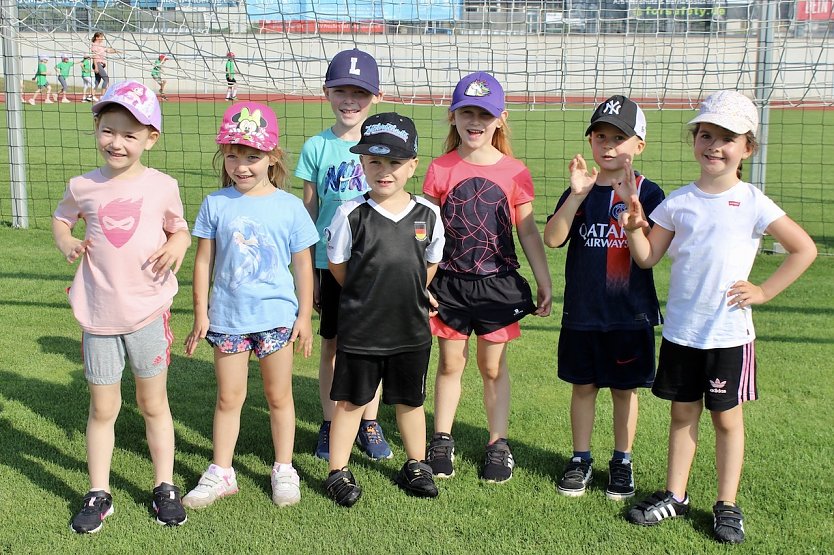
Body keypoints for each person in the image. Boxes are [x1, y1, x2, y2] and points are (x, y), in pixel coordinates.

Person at [620, 90, 817, 544]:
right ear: (694, 140)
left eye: (727, 138)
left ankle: (727, 505)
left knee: (726, 419)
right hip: (682, 333)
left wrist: (764, 290)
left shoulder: (753, 201)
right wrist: (634, 228)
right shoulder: (678, 203)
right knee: (682, 414)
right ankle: (675, 494)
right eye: (705, 134)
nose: (714, 145)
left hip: (728, 335)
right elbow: (648, 258)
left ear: (747, 147)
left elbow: (803, 248)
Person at [52, 80, 191, 533]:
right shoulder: (83, 185)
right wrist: (66, 239)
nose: (117, 142)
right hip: (98, 314)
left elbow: (180, 229)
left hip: (148, 311)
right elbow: (60, 218)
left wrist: (178, 246)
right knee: (103, 409)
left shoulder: (163, 186)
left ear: (151, 138)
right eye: (109, 131)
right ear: (97, 128)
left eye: (130, 135)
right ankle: (98, 491)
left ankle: (164, 485)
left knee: (153, 404)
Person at [183, 102, 319, 509]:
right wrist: (202, 312)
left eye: (252, 156)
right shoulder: (215, 203)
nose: (241, 166)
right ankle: (222, 471)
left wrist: (304, 316)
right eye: (233, 155)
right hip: (227, 320)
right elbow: (204, 260)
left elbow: (303, 265)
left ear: (272, 156)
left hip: (276, 319)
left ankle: (283, 467)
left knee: (279, 396)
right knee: (229, 397)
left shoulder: (290, 207)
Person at [423, 71, 552, 483]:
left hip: (497, 284)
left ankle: (498, 443)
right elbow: (423, 230)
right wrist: (419, 280)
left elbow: (527, 230)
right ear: (453, 117)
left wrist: (544, 280)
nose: (475, 121)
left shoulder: (515, 172)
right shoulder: (439, 169)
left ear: (500, 119)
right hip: (449, 283)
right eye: (466, 112)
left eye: (484, 113)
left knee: (492, 367)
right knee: (450, 362)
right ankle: (441, 438)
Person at [543, 96, 664, 500]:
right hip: (583, 312)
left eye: (619, 137)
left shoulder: (649, 193)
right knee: (583, 387)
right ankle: (580, 459)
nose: (609, 146)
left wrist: (634, 221)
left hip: (629, 315)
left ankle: (622, 461)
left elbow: (648, 257)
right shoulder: (580, 190)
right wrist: (576, 196)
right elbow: (553, 238)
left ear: (639, 145)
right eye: (600, 136)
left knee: (624, 391)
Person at [323, 113, 445, 507]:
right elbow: (341, 269)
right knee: (351, 401)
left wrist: (408, 291)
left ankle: (417, 464)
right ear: (362, 164)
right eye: (374, 161)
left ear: (413, 165)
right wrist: (369, 295)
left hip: (410, 328)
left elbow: (428, 264)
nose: (384, 171)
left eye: (394, 162)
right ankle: (338, 471)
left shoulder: (428, 214)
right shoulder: (350, 215)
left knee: (411, 400)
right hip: (362, 329)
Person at [295, 48, 392, 462]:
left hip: (375, 266)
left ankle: (368, 421)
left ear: (376, 96)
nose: (350, 100)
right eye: (341, 91)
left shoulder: (385, 147)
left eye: (360, 92)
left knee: (373, 345)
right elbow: (310, 211)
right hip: (328, 265)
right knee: (333, 345)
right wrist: (309, 272)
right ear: (326, 93)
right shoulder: (317, 147)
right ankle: (332, 421)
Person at [91, 32, 118, 99]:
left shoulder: (101, 45)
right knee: (106, 79)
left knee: (97, 80)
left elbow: (108, 50)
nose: (102, 39)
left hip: (101, 64)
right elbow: (94, 56)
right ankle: (103, 96)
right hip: (97, 64)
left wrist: (116, 51)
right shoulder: (94, 46)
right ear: (97, 37)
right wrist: (96, 67)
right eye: (101, 37)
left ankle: (92, 95)